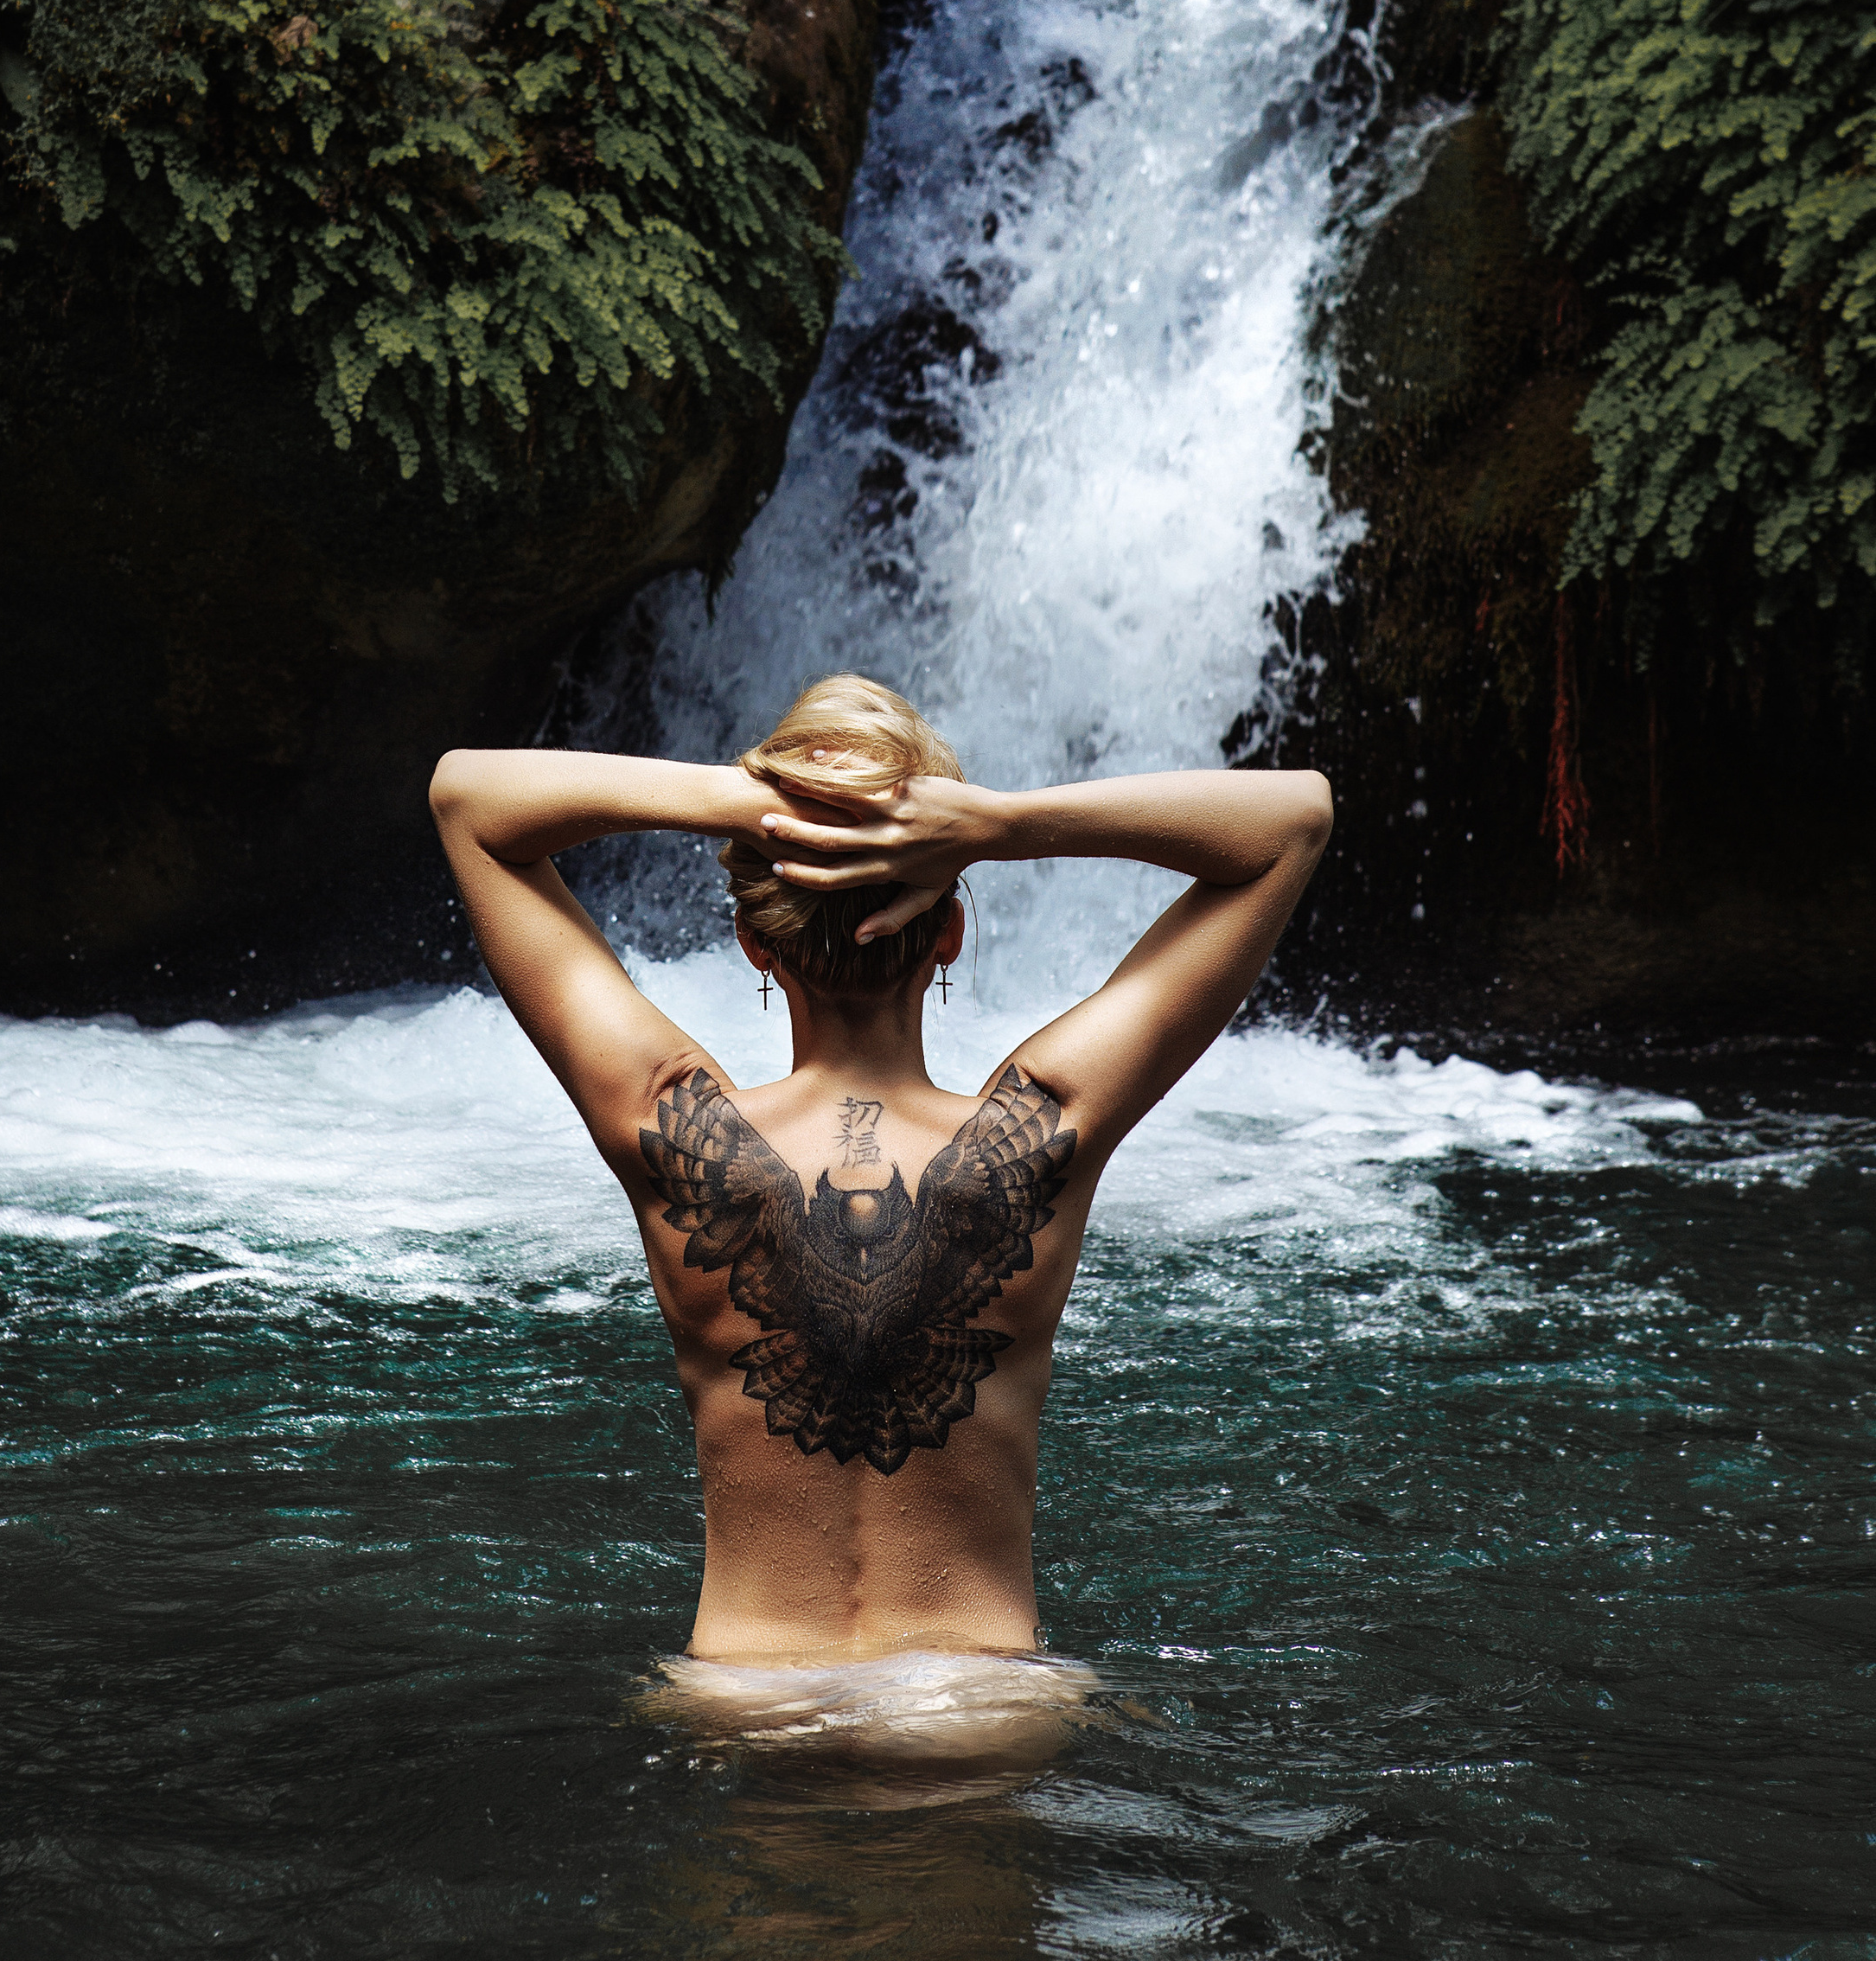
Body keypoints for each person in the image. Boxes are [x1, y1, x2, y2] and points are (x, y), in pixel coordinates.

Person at [431, 676, 1330, 1671]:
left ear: (752, 942)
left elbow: (467, 800)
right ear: (949, 934)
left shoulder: (672, 1129)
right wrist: (995, 825)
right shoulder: (1044, 1130)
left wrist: (749, 806)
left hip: (747, 1693)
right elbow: (1292, 820)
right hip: (975, 1697)